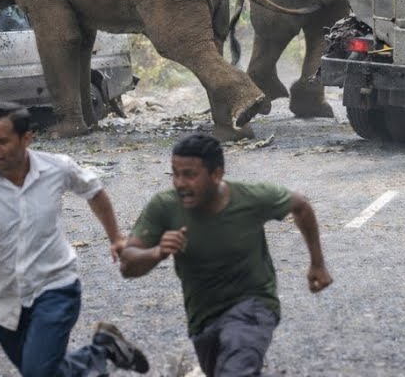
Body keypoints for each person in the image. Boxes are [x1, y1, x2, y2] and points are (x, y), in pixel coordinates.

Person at [0, 103, 149, 377]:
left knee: (38, 373)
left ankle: (101, 352)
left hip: (56, 288)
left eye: (2, 141)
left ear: (26, 138)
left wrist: (116, 236)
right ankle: (105, 350)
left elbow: (94, 191)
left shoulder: (56, 167)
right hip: (4, 300)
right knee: (47, 372)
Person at [119, 132, 332, 377]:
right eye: (175, 174)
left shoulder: (250, 197)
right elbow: (127, 264)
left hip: (254, 304)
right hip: (203, 318)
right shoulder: (165, 207)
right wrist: (156, 253)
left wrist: (317, 264)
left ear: (216, 174)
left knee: (236, 368)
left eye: (190, 174)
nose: (180, 183)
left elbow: (301, 205)